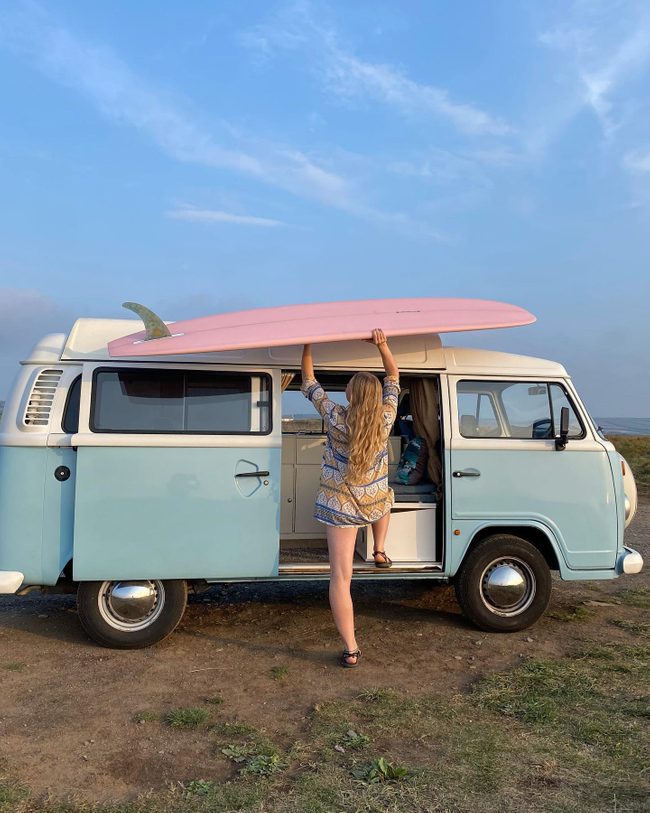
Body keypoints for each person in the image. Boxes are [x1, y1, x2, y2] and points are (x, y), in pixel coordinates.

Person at [301, 329, 400, 668]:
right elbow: (393, 379)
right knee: (387, 495)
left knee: (341, 578)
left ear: (352, 394)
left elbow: (310, 383)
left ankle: (351, 648)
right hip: (372, 504)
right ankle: (379, 549)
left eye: (347, 387)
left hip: (340, 508)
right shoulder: (385, 419)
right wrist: (382, 345)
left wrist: (308, 342)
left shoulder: (337, 417)